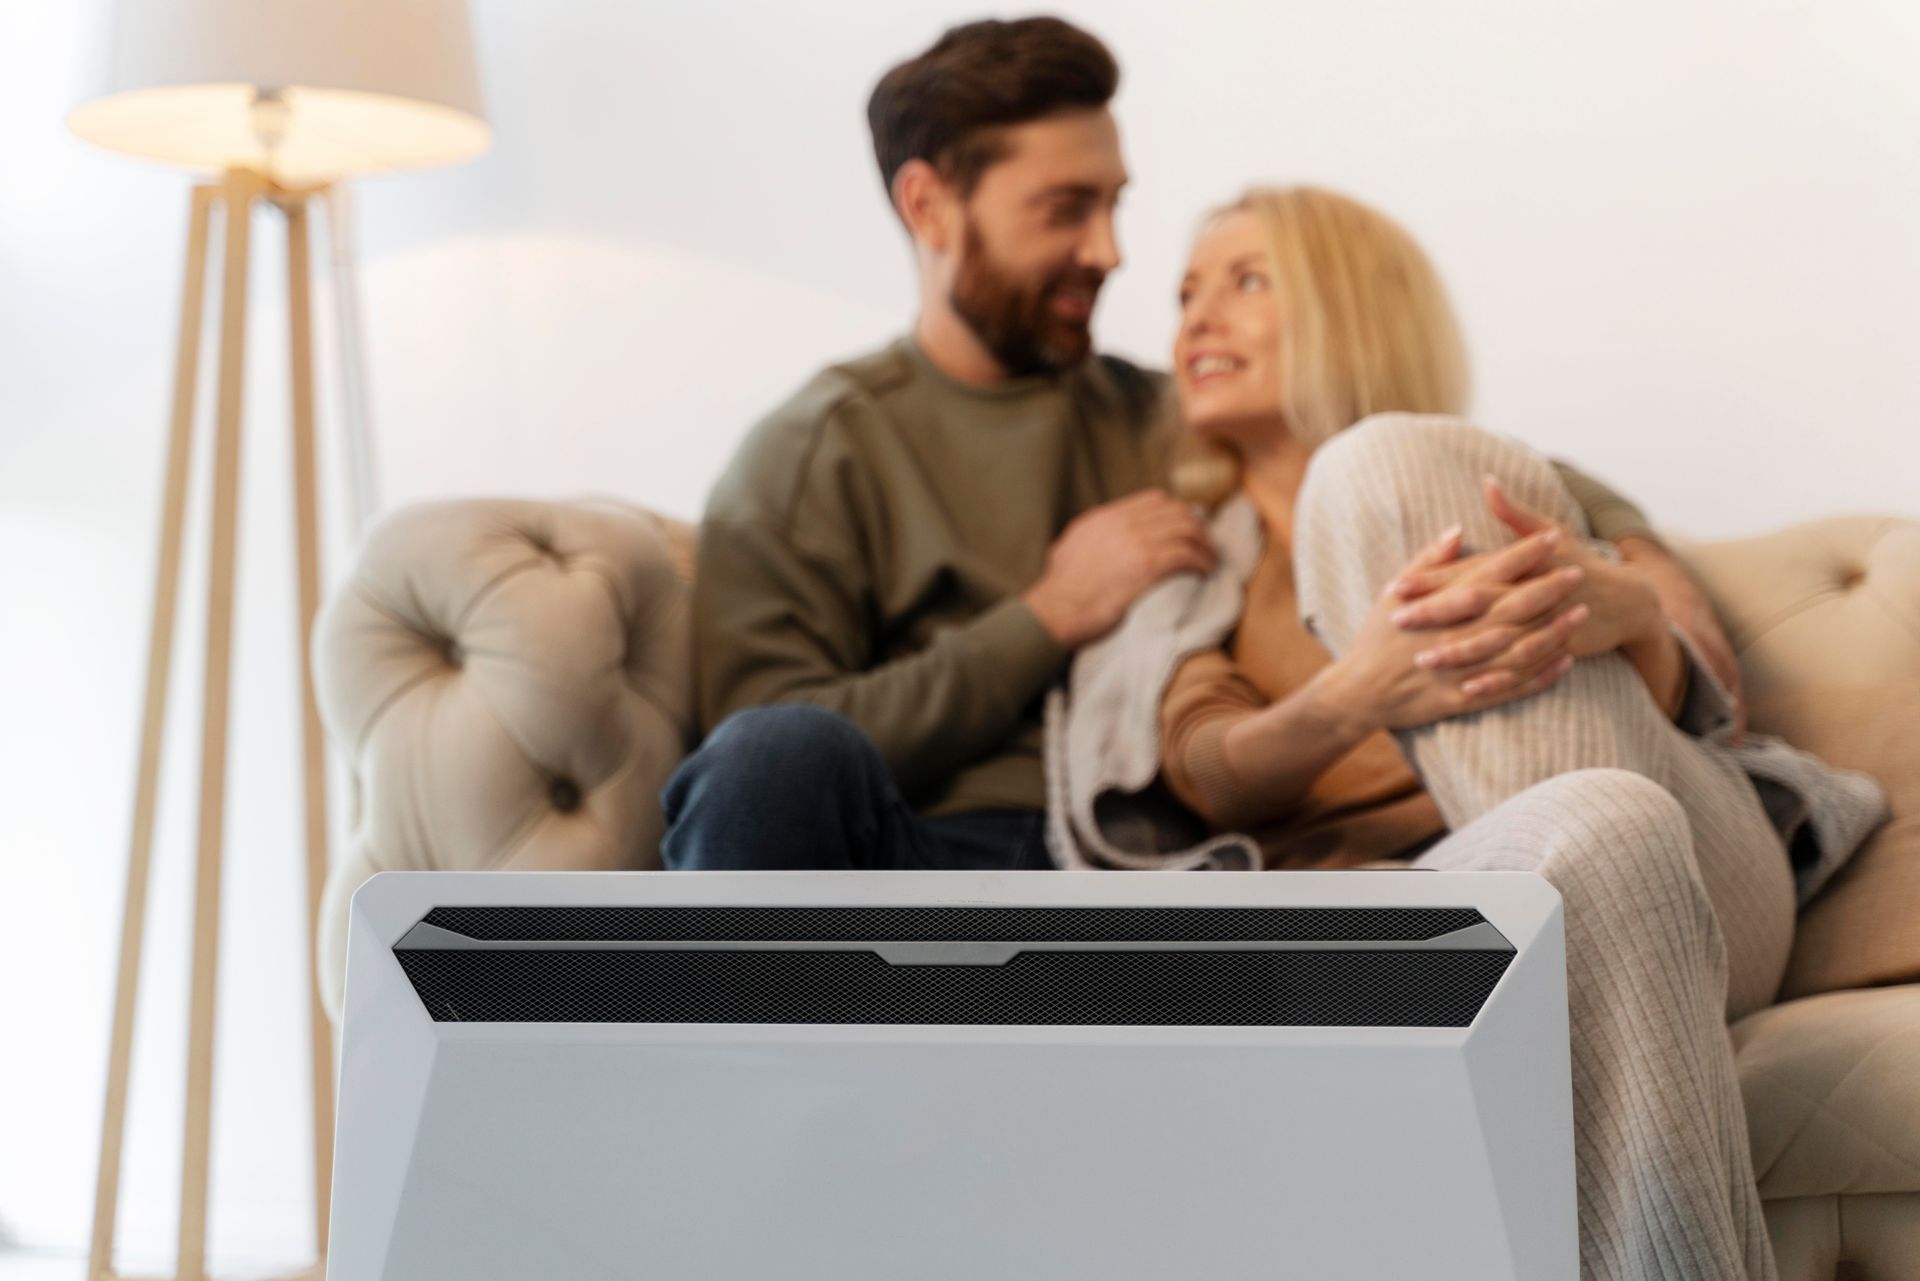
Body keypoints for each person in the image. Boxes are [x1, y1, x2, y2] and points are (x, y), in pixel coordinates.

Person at [659, 16, 1726, 874]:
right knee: (772, 758)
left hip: (1159, 867)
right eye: (1066, 209)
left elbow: (1377, 439)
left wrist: (1629, 558)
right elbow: (753, 753)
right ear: (930, 206)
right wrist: (1043, 619)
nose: (1110, 251)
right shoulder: (814, 454)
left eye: (1116, 205)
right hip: (926, 857)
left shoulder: (1167, 415)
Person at [1157, 185, 1792, 1279]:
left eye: (1245, 281)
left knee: (1381, 467)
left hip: (1713, 869)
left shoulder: (1495, 472)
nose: (1194, 320)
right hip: (1445, 898)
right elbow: (1206, 773)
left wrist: (1629, 610)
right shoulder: (1188, 561)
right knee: (1600, 832)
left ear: (1350, 310)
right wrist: (1359, 692)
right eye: (1184, 295)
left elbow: (1715, 681)